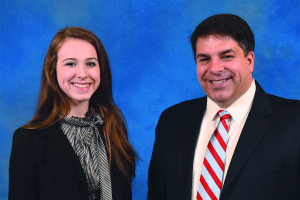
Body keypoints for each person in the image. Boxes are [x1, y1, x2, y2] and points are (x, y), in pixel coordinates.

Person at [147, 14, 300, 200]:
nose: (215, 68)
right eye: (204, 59)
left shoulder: (294, 121)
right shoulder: (171, 121)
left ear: (249, 61)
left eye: (226, 56)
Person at [9, 27, 138, 200]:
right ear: (53, 70)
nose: (83, 74)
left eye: (91, 63)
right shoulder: (28, 140)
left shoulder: (114, 128)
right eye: (71, 63)